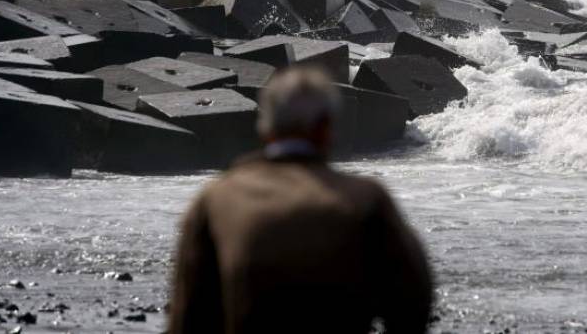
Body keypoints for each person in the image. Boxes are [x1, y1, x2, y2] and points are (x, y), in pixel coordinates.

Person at [169, 67, 434, 334]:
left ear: (265, 126)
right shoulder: (365, 199)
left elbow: (189, 315)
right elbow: (414, 299)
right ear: (326, 128)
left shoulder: (219, 197)